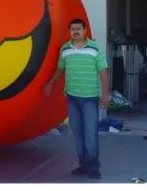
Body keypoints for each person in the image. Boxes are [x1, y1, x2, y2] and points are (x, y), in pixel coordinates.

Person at [44, 18, 109, 180]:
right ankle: (83, 164)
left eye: (79, 28)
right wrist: (50, 82)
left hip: (89, 98)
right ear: (70, 31)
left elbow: (103, 72)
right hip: (72, 97)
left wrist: (105, 95)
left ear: (85, 30)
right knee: (77, 133)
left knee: (90, 133)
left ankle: (94, 166)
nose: (76, 31)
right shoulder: (65, 49)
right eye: (73, 29)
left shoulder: (94, 49)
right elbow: (61, 68)